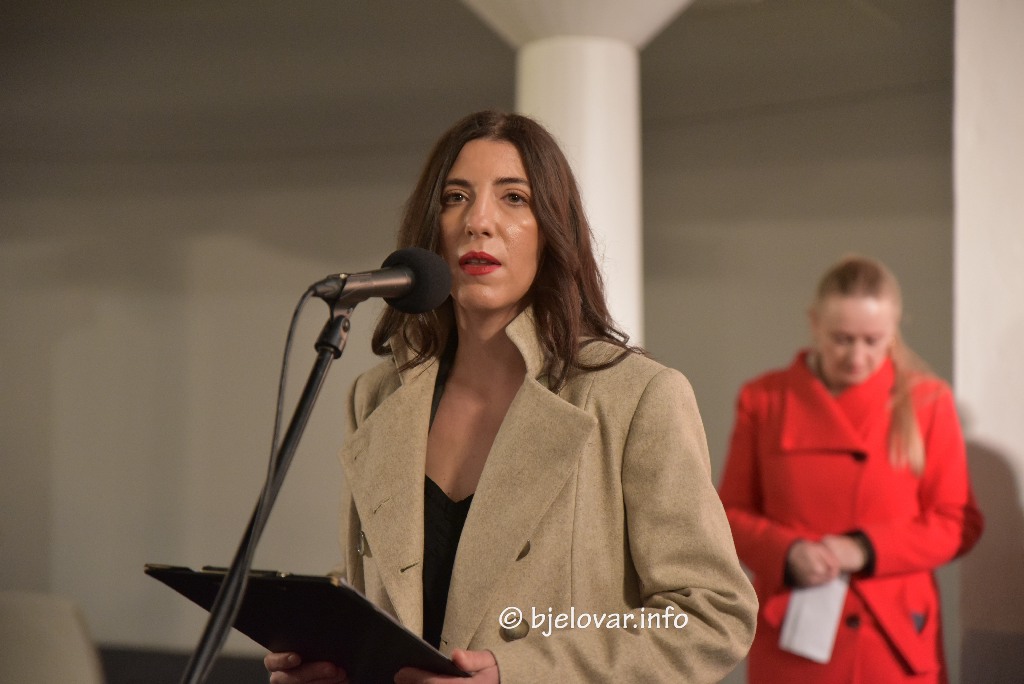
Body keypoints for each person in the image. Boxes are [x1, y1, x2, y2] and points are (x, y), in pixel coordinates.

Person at [265, 110, 757, 683]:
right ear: (431, 230)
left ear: (553, 231)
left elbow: (711, 615)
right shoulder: (375, 396)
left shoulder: (637, 396)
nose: (478, 221)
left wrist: (517, 673)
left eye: (514, 198)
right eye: (455, 197)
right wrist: (336, 659)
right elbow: (387, 588)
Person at [718, 255, 984, 683]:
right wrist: (788, 552)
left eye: (873, 341)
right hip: (794, 634)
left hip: (894, 638)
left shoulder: (928, 402)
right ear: (814, 323)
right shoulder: (765, 399)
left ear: (894, 329)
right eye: (842, 339)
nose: (857, 357)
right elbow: (727, 515)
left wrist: (863, 549)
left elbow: (957, 522)